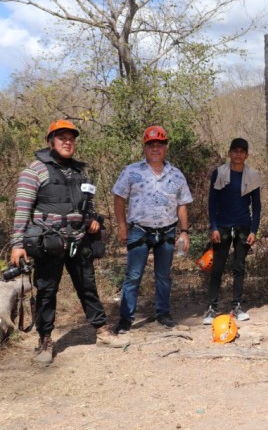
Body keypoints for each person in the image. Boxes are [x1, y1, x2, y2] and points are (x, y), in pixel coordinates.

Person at [9, 120, 129, 365]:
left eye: (71, 138)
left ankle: (102, 332)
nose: (67, 142)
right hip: (49, 243)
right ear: (50, 141)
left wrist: (93, 219)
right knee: (47, 292)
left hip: (79, 241)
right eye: (61, 137)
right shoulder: (34, 171)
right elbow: (22, 209)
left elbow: (87, 205)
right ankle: (44, 340)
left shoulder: (79, 172)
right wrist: (17, 243)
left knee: (88, 287)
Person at [113, 125, 193, 331]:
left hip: (166, 231)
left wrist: (184, 232)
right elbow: (119, 198)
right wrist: (122, 226)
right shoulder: (131, 171)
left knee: (164, 275)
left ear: (166, 147)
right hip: (139, 230)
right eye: (151, 145)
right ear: (145, 148)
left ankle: (163, 313)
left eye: (159, 145)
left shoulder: (176, 175)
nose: (155, 149)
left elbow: (182, 204)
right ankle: (125, 319)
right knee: (133, 276)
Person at [202, 137, 261, 325]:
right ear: (229, 153)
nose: (238, 154)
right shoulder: (219, 173)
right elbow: (212, 201)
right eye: (234, 150)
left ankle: (237, 306)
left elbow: (257, 206)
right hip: (222, 227)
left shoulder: (252, 175)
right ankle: (212, 308)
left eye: (242, 151)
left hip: (243, 226)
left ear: (246, 155)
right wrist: (213, 226)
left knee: (239, 268)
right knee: (217, 268)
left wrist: (254, 230)